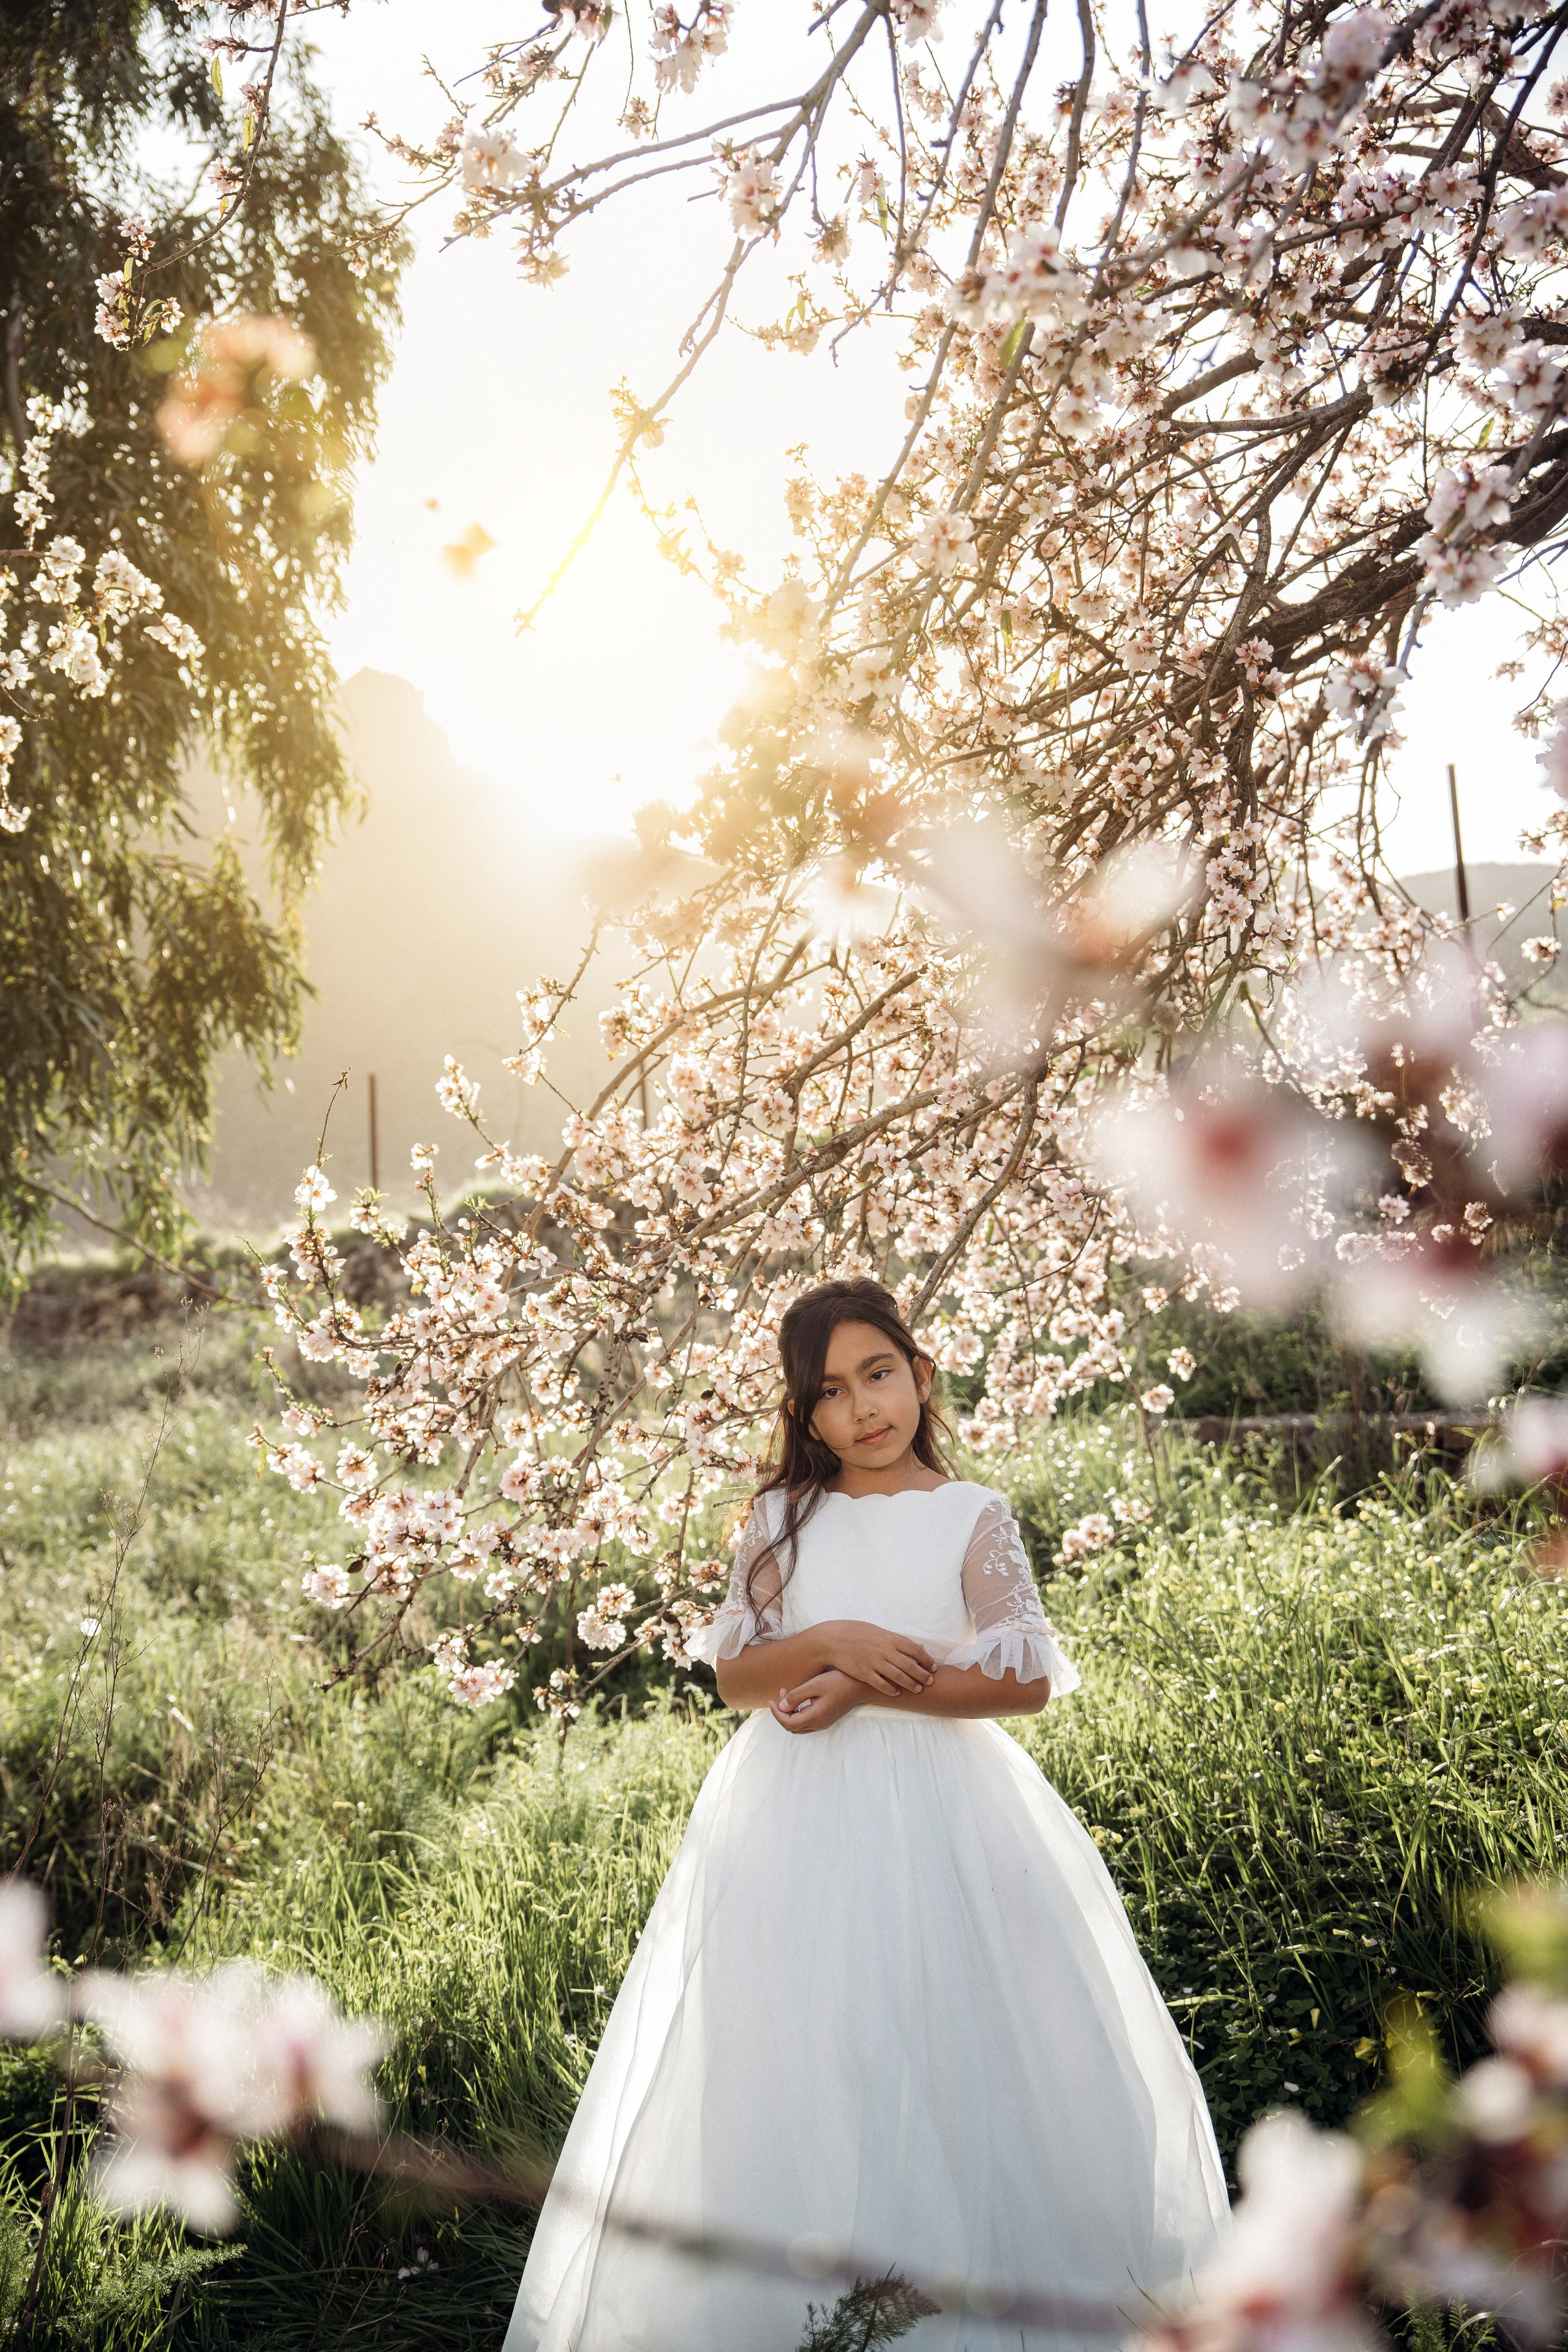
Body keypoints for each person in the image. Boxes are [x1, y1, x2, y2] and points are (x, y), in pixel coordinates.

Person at [503, 1276, 1228, 2352]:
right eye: (830, 1393)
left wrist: (869, 1682)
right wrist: (837, 1637)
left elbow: (1021, 1678)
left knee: (956, 2036)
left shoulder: (972, 1514)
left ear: (921, 1375)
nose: (862, 1408)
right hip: (795, 1822)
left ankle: (978, 2284)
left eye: (878, 1374)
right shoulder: (779, 1520)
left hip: (951, 1817)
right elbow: (741, 1677)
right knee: (803, 2041)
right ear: (806, 1416)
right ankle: (806, 2292)